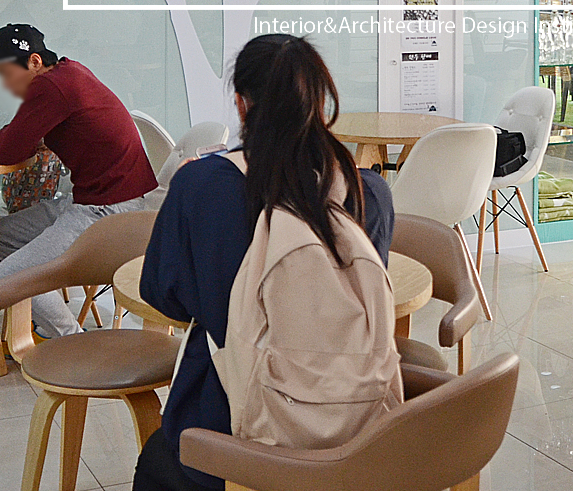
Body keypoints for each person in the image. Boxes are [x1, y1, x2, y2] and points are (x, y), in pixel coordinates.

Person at [134, 34, 395, 491]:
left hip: (226, 428)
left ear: (241, 104)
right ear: (320, 103)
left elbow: (163, 295)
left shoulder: (201, 186)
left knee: (159, 459)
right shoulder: (367, 190)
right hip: (357, 428)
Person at [0, 23, 157, 338]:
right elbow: (23, 128)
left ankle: (72, 339)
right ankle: (54, 328)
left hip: (108, 211)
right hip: (100, 199)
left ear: (34, 61)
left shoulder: (50, 87)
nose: (5, 84)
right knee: (7, 233)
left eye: (7, 73)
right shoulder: (67, 73)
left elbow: (13, 151)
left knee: (8, 276)